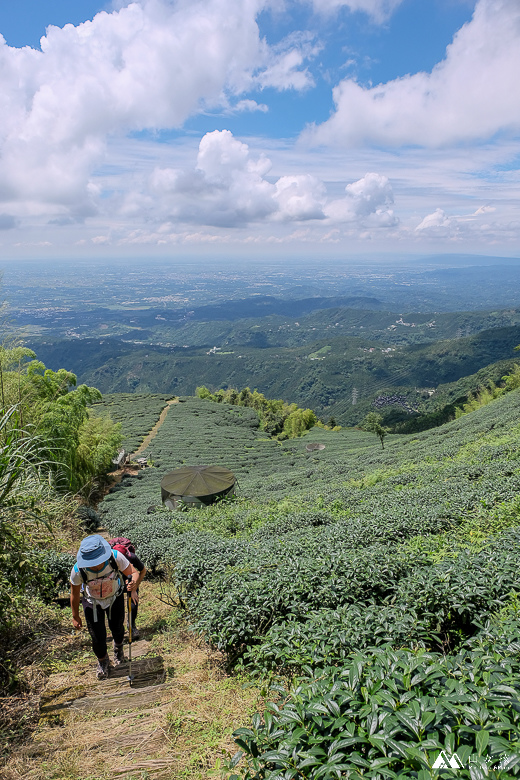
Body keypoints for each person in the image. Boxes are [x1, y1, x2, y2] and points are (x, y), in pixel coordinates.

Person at [70, 534, 140, 680]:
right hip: (92, 602)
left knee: (117, 627)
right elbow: (75, 594)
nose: (95, 565)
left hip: (115, 597)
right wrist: (75, 616)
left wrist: (133, 584)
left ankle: (118, 650)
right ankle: (102, 661)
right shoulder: (78, 570)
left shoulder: (115, 558)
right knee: (97, 636)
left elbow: (134, 572)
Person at [109, 538, 147, 640]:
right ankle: (118, 629)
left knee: (133, 604)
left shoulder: (132, 558)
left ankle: (132, 625)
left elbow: (143, 571)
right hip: (115, 583)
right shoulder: (109, 560)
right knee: (116, 607)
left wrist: (135, 587)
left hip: (130, 580)